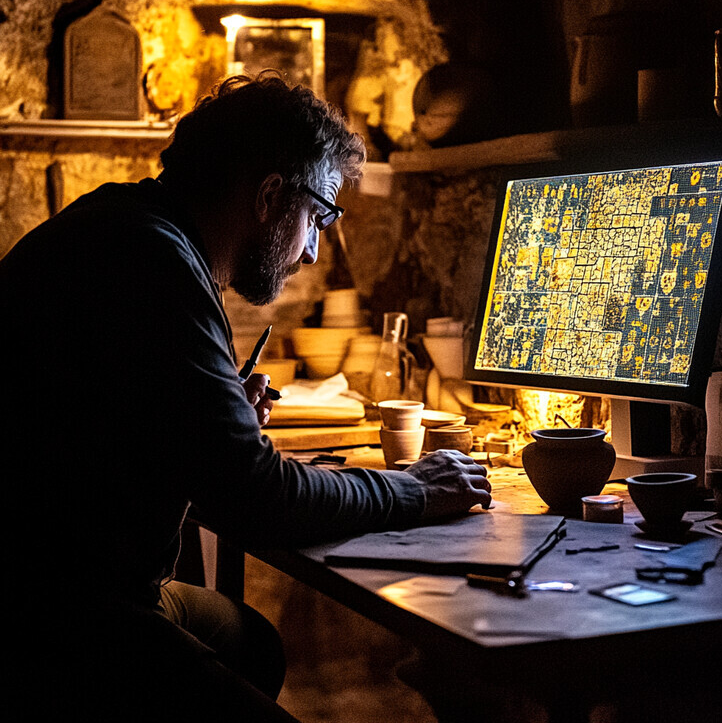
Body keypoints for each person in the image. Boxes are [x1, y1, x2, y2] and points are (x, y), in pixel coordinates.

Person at [1, 71, 491, 721]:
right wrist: (415, 489)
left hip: (65, 587)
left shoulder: (124, 222)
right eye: (319, 218)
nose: (313, 251)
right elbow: (258, 499)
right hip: (55, 618)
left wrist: (217, 412)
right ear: (268, 196)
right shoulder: (155, 265)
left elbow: (125, 428)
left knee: (251, 645)